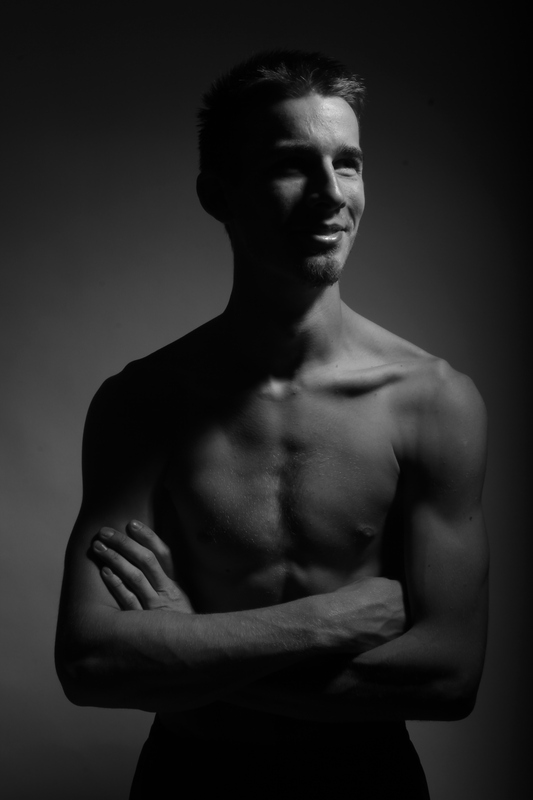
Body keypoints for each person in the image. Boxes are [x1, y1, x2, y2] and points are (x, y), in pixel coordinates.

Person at [55, 50, 489, 799]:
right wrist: (328, 620)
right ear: (216, 195)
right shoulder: (144, 404)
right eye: (292, 165)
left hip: (367, 782)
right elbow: (91, 663)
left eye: (347, 164)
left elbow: (449, 678)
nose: (331, 194)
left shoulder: (433, 401)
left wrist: (185, 646)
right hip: (192, 781)